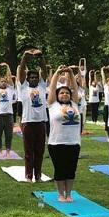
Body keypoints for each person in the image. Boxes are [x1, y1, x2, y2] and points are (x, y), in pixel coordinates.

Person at [47, 66, 81, 201]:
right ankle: (61, 194)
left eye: (67, 93)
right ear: (57, 95)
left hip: (74, 142)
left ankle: (69, 194)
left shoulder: (75, 104)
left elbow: (75, 88)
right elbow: (52, 87)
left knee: (71, 170)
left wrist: (71, 73)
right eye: (61, 93)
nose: (65, 94)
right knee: (60, 170)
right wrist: (57, 73)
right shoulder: (53, 105)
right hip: (56, 143)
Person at [17, 49, 49, 182]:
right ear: (28, 79)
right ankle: (29, 176)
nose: (34, 79)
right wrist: (25, 57)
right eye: (31, 77)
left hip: (41, 122)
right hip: (28, 122)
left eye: (36, 77)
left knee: (40, 151)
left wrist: (41, 57)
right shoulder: (23, 87)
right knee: (29, 152)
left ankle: (38, 176)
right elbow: (21, 70)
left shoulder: (42, 86)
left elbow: (44, 70)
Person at [0, 63, 15, 157]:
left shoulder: (10, 89)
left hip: (9, 115)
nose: (3, 82)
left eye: (5, 81)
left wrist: (7, 66)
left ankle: (8, 151)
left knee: (9, 135)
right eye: (2, 81)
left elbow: (9, 77)